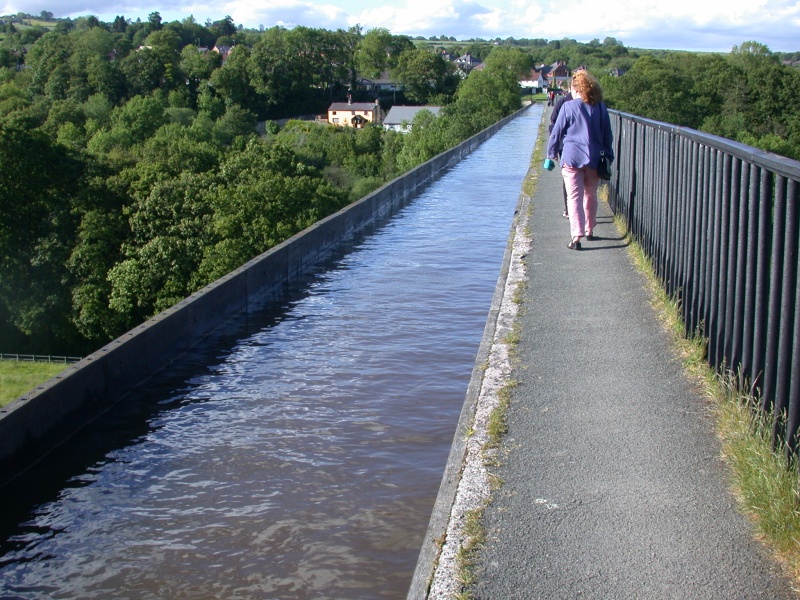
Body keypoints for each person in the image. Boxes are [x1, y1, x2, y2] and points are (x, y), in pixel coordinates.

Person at [546, 70, 613, 250]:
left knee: (574, 198)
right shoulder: (600, 107)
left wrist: (550, 154)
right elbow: (608, 134)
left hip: (571, 158)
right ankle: (589, 229)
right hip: (594, 158)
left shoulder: (569, 107)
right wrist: (609, 155)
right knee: (590, 194)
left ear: (576, 90)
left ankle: (576, 237)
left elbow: (556, 132)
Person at [549, 86, 573, 219]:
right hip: (584, 148)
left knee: (568, 179)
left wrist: (554, 148)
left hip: (564, 146)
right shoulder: (590, 102)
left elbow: (553, 125)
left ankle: (569, 210)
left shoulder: (562, 102)